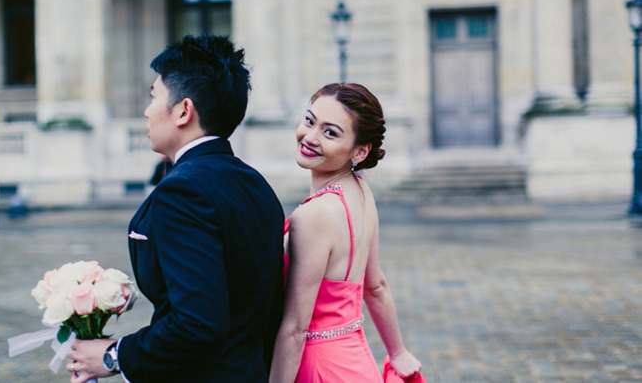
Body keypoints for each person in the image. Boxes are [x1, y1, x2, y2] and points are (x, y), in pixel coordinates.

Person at [66, 35, 285, 383]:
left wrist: (113, 356)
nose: (147, 111)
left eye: (153, 97)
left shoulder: (182, 192)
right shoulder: (257, 185)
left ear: (183, 110)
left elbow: (198, 321)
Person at [270, 83, 422, 383]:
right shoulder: (361, 192)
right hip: (355, 361)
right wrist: (398, 351)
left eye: (330, 133)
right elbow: (375, 285)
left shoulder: (314, 215)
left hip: (317, 367)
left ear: (360, 150)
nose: (310, 137)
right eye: (310, 121)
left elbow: (295, 329)